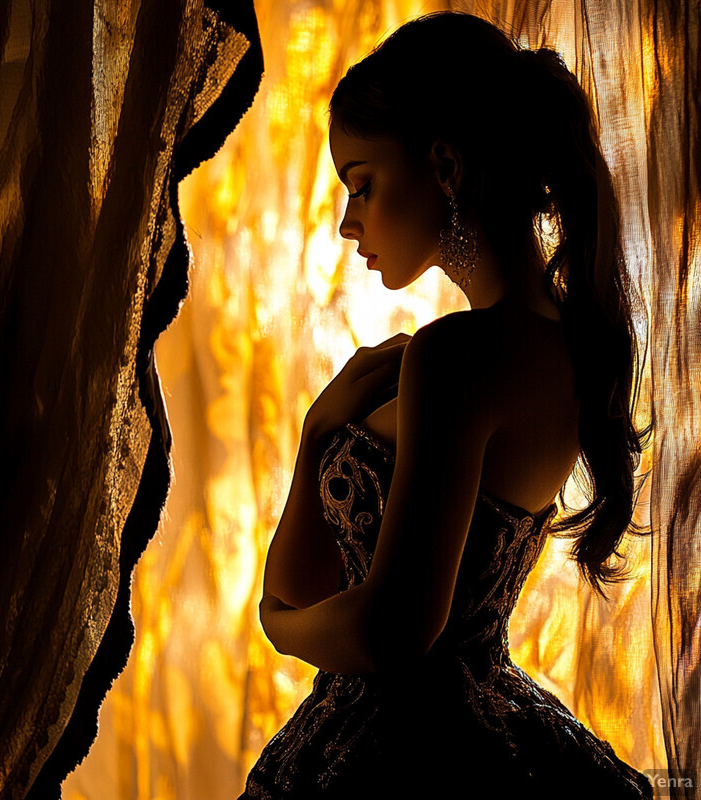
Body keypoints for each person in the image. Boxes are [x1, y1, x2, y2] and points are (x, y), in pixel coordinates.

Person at [239, 12, 653, 799]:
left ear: (445, 166)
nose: (347, 219)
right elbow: (334, 582)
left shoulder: (455, 357)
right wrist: (317, 430)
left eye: (363, 182)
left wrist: (280, 628)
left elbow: (391, 625)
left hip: (401, 753)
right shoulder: (562, 346)